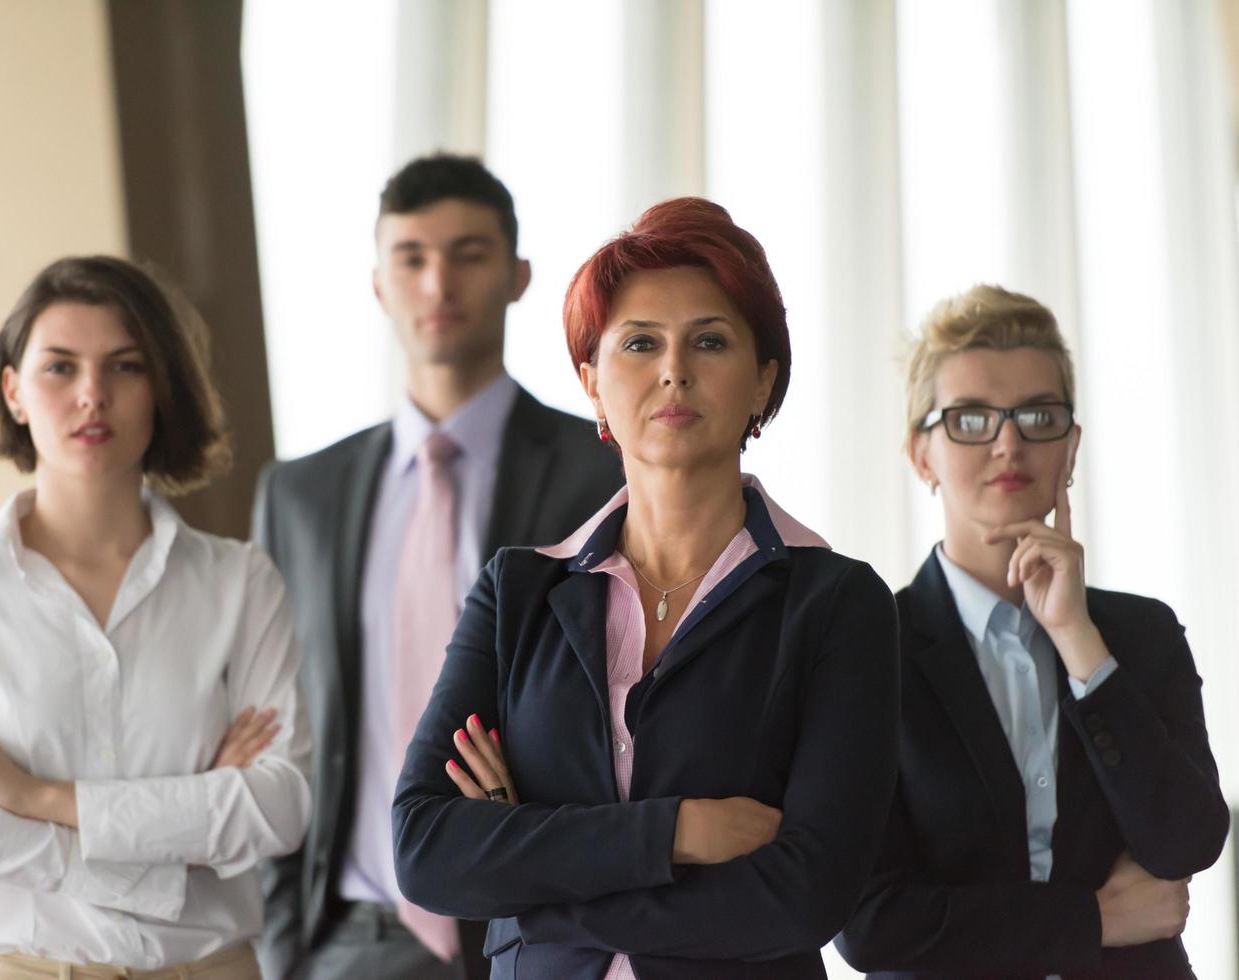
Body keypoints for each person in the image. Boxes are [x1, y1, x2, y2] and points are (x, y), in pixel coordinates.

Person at [392, 197, 901, 979]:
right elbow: (427, 849)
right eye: (639, 342)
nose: (674, 368)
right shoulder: (517, 593)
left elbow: (805, 897)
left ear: (763, 382)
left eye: (709, 340)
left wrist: (527, 875)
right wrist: (676, 833)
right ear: (592, 384)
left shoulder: (837, 604)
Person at [251, 153, 622, 980]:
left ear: (519, 275)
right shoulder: (300, 496)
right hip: (343, 940)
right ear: (378, 283)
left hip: (533, 927)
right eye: (410, 258)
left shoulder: (602, 471)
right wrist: (284, 943)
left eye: (468, 254)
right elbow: (272, 719)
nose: (436, 284)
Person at [0, 256, 312, 979]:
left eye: (124, 367)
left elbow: (278, 806)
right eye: (60, 368)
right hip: (16, 966)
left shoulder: (240, 584)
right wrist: (183, 837)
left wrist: (34, 795)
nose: (92, 395)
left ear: (160, 389)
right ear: (14, 392)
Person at [836, 284, 1229, 979]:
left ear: (1070, 448)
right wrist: (1097, 921)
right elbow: (870, 923)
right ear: (919, 454)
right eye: (969, 419)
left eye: (1037, 415)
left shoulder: (1139, 634)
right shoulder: (867, 647)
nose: (1008, 442)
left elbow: (1184, 844)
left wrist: (1079, 641)